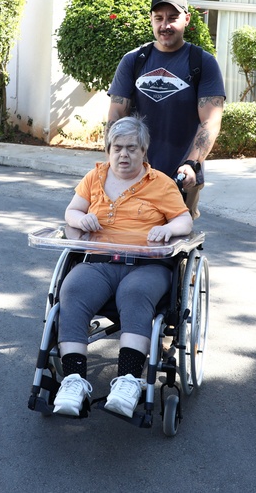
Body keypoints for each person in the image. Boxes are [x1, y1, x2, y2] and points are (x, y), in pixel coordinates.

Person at [54, 116, 193, 418]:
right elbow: (72, 211)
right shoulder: (95, 178)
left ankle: (128, 381)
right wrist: (81, 219)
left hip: (147, 265)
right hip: (100, 261)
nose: (123, 155)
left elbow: (185, 220)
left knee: (134, 294)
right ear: (108, 150)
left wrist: (169, 230)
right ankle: (73, 381)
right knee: (73, 290)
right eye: (117, 148)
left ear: (144, 151)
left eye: (132, 148)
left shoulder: (161, 183)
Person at [108, 0, 225, 219]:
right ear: (151, 20)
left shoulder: (202, 62)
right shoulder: (133, 61)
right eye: (159, 18)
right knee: (128, 233)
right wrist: (111, 161)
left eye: (173, 18)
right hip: (135, 171)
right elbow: (115, 116)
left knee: (173, 241)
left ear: (187, 19)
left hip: (180, 174)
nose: (165, 25)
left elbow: (210, 121)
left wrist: (192, 164)